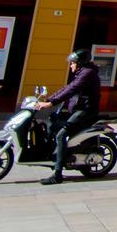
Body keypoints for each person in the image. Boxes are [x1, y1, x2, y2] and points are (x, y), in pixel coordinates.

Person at [35, 49, 102, 185]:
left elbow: (73, 89)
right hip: (77, 108)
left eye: (72, 63)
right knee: (52, 121)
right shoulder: (82, 72)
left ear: (80, 63)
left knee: (61, 134)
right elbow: (67, 88)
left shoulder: (87, 73)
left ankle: (57, 174)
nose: (71, 65)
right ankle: (55, 154)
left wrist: (50, 103)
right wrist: (49, 99)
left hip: (85, 110)